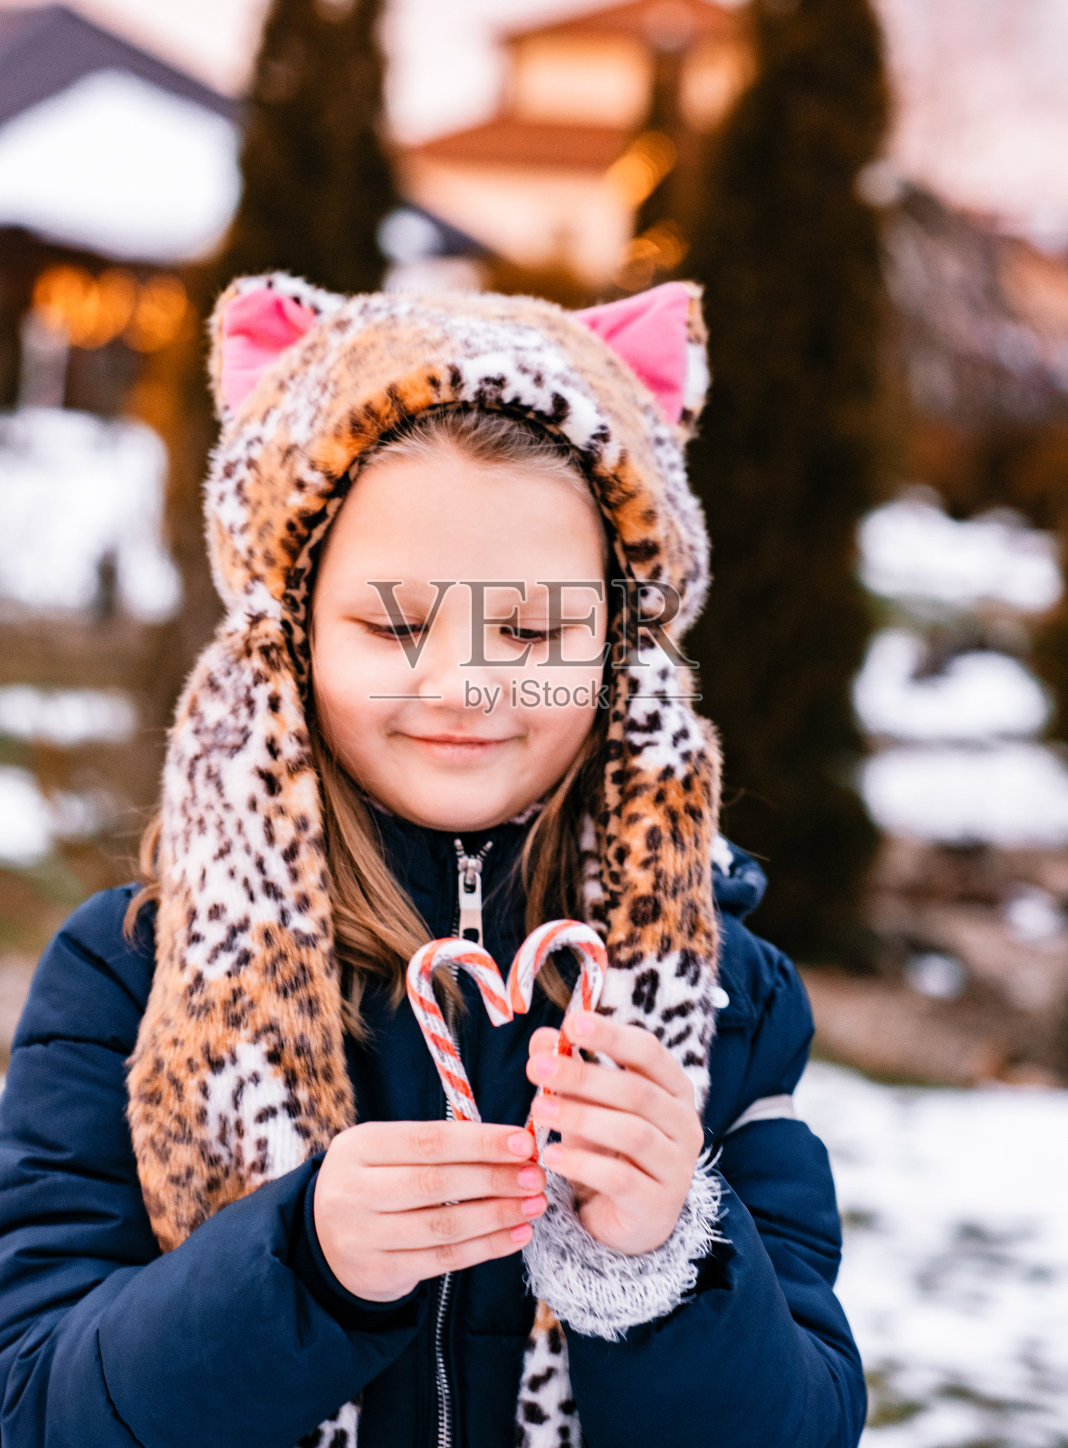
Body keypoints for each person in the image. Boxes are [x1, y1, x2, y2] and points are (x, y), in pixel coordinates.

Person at [0, 274, 866, 1448]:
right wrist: (301, 1269)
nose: (463, 685)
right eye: (394, 623)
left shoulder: (727, 1005)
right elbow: (34, 1407)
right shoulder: (126, 980)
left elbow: (802, 1429)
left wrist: (671, 1266)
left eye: (531, 631)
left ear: (620, 648)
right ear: (292, 632)